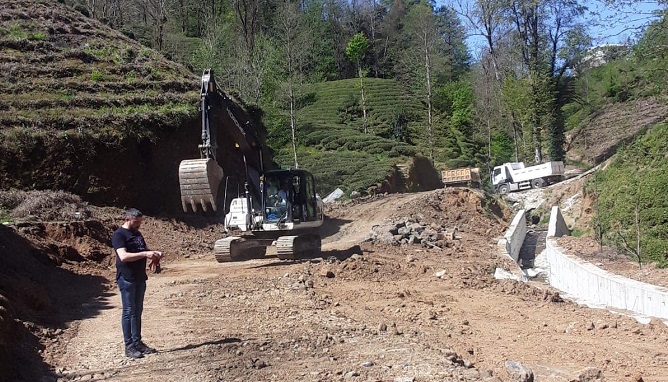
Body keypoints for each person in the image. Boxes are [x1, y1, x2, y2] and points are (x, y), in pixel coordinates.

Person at [112, 208, 163, 359]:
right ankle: (129, 347)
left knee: (137, 311)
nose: (139, 225)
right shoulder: (119, 235)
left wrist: (153, 253)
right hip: (126, 278)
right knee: (128, 312)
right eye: (136, 222)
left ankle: (137, 342)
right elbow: (123, 256)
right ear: (127, 219)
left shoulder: (137, 234)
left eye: (140, 222)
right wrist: (144, 254)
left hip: (140, 277)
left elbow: (142, 249)